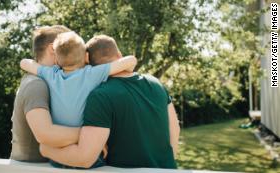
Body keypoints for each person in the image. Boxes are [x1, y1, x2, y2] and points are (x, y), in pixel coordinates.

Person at [40, 35, 180, 169]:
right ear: (119, 54)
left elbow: (84, 158)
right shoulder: (156, 84)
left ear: (87, 60)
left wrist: (46, 150)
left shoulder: (101, 96)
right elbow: (175, 130)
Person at [19, 31, 137, 168]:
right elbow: (131, 60)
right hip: (85, 146)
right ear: (86, 57)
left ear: (57, 60)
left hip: (59, 151)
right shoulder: (92, 74)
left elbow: (24, 62)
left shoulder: (51, 74)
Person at [10, 25, 81, 162]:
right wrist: (93, 135)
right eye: (72, 49)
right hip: (30, 169)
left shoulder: (45, 80)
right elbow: (45, 134)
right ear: (53, 49)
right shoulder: (36, 84)